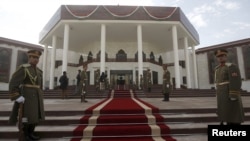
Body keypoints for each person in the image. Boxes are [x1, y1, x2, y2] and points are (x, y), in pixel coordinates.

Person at [9, 49, 45, 141]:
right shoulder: (23, 68)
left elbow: (40, 85)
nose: (36, 60)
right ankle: (26, 134)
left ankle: (31, 132)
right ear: (29, 58)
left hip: (37, 96)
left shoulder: (39, 71)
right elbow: (13, 83)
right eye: (34, 57)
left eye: (37, 58)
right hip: (27, 96)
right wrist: (17, 96)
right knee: (27, 116)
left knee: (35, 116)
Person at [214, 49, 245, 125]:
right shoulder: (217, 69)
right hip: (221, 94)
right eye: (218, 57)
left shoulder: (231, 67)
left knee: (233, 115)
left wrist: (233, 94)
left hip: (229, 93)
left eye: (222, 56)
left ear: (226, 56)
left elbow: (235, 81)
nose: (220, 58)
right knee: (225, 113)